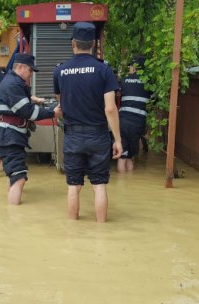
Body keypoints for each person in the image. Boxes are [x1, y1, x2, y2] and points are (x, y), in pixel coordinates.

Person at [53, 22, 123, 223]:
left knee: (74, 185)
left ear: (73, 43)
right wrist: (117, 140)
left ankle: (72, 230)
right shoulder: (104, 70)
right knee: (99, 185)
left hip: (73, 136)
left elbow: (61, 103)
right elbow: (110, 108)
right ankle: (102, 231)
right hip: (98, 136)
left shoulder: (60, 72)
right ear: (93, 44)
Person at [0, 53, 62, 205]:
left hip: (5, 136)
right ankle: (14, 218)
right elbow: (28, 112)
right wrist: (52, 112)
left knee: (14, 176)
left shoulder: (11, 81)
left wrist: (34, 99)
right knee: (19, 178)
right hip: (9, 136)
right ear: (20, 67)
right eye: (30, 71)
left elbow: (20, 104)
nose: (31, 75)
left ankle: (8, 211)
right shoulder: (13, 84)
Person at [117, 55, 152, 172]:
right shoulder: (149, 83)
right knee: (130, 157)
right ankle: (128, 182)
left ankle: (121, 185)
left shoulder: (124, 81)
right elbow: (153, 102)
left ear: (134, 67)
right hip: (138, 124)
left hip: (123, 122)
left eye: (130, 66)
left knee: (122, 156)